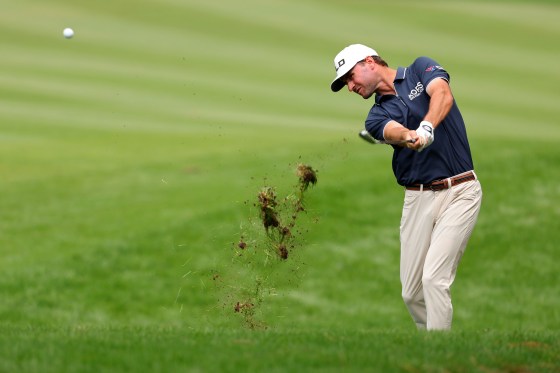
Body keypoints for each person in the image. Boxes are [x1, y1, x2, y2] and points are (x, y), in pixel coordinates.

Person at [330, 44, 482, 331]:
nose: (350, 87)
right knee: (411, 293)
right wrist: (409, 135)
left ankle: (440, 354)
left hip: (460, 190)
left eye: (350, 77)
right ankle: (432, 346)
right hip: (417, 199)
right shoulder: (374, 117)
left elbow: (442, 94)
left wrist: (426, 127)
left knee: (434, 279)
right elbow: (391, 131)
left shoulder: (419, 69)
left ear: (369, 62)